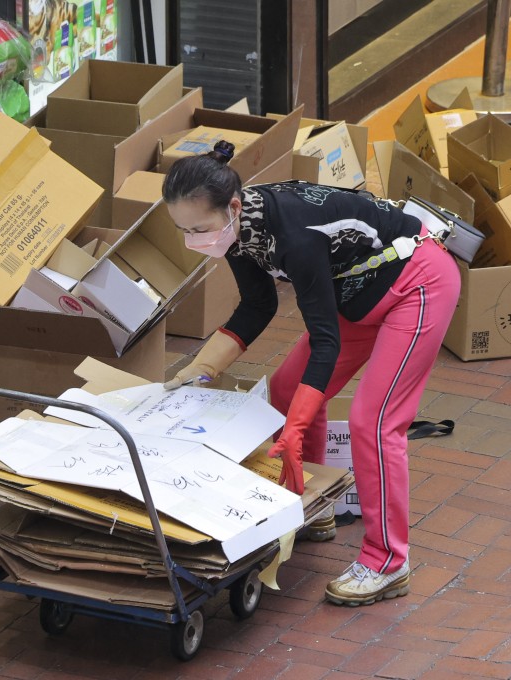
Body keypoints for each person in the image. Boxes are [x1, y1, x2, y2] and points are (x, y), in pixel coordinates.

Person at [162, 141, 460, 606]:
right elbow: (257, 305)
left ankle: (387, 562)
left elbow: (325, 342)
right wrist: (199, 369)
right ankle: (315, 505)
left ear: (232, 207)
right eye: (181, 230)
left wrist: (298, 426)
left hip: (417, 284)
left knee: (374, 422)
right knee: (284, 390)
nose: (193, 239)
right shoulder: (239, 230)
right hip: (357, 296)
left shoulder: (295, 236)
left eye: (198, 228)